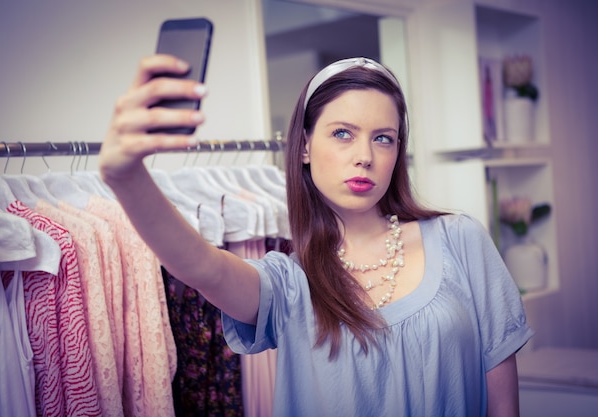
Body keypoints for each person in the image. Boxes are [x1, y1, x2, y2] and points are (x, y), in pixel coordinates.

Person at [99, 55, 534, 416]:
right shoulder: (289, 284)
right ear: (304, 146)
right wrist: (125, 176)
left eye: (383, 139)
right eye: (342, 133)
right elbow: (201, 266)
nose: (364, 156)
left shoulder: (460, 240)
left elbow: (504, 406)